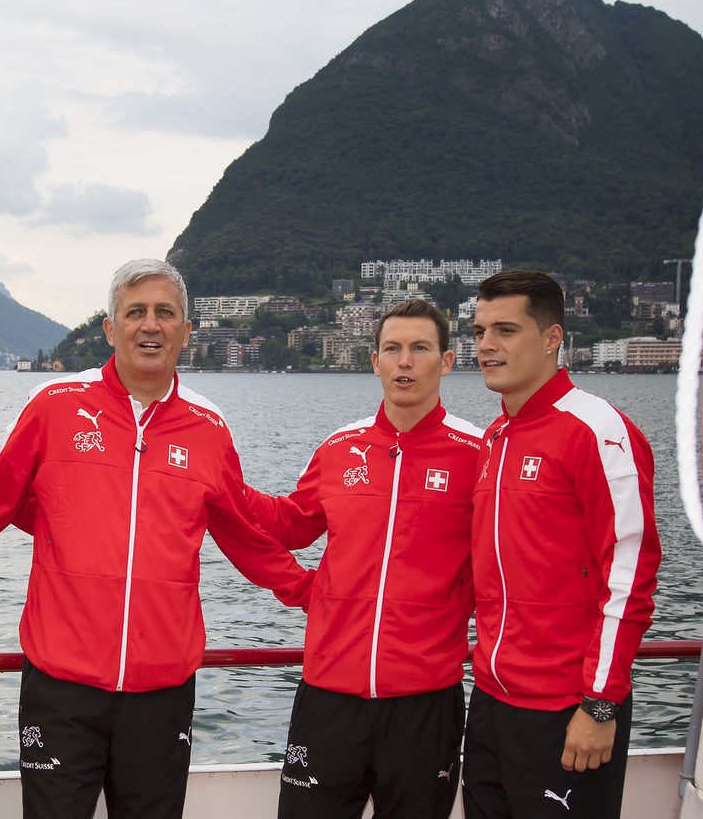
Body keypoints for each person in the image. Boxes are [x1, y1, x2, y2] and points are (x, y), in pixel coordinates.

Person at [0, 258, 314, 819]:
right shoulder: (54, 408)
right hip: (61, 687)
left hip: (162, 689)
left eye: (165, 313)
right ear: (109, 327)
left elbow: (244, 535)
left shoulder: (207, 429)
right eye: (135, 312)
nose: (151, 325)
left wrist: (313, 594)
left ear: (186, 332)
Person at [250, 299, 483, 818]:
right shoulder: (340, 448)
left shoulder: (479, 454)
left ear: (446, 361)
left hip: (425, 701)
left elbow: (502, 568)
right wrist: (224, 487)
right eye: (392, 349)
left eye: (420, 349)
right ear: (374, 361)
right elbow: (291, 523)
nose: (405, 362)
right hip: (329, 697)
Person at [464, 269, 661, 819]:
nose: (486, 346)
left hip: (567, 708)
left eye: (505, 330)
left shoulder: (598, 432)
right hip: (491, 702)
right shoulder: (495, 437)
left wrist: (600, 704)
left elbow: (630, 573)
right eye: (479, 332)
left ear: (553, 338)